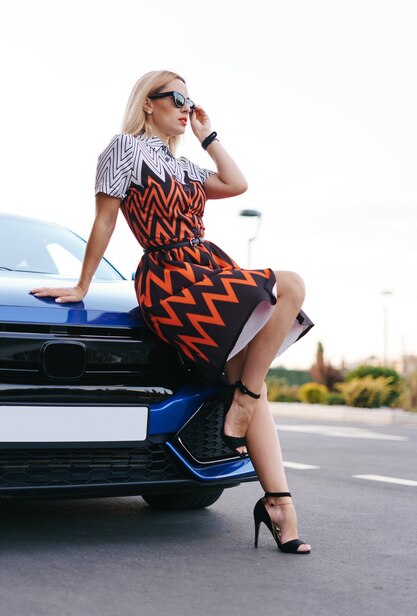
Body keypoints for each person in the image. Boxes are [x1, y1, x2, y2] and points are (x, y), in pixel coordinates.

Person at [31, 70, 313, 554]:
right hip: (170, 280)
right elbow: (104, 219)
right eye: (177, 98)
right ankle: (242, 406)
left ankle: (278, 502)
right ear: (148, 103)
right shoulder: (123, 150)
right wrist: (83, 283)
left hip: (206, 265)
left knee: (254, 367)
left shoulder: (182, 167)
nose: (186, 106)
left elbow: (235, 183)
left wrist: (208, 134)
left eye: (190, 99)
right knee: (288, 287)